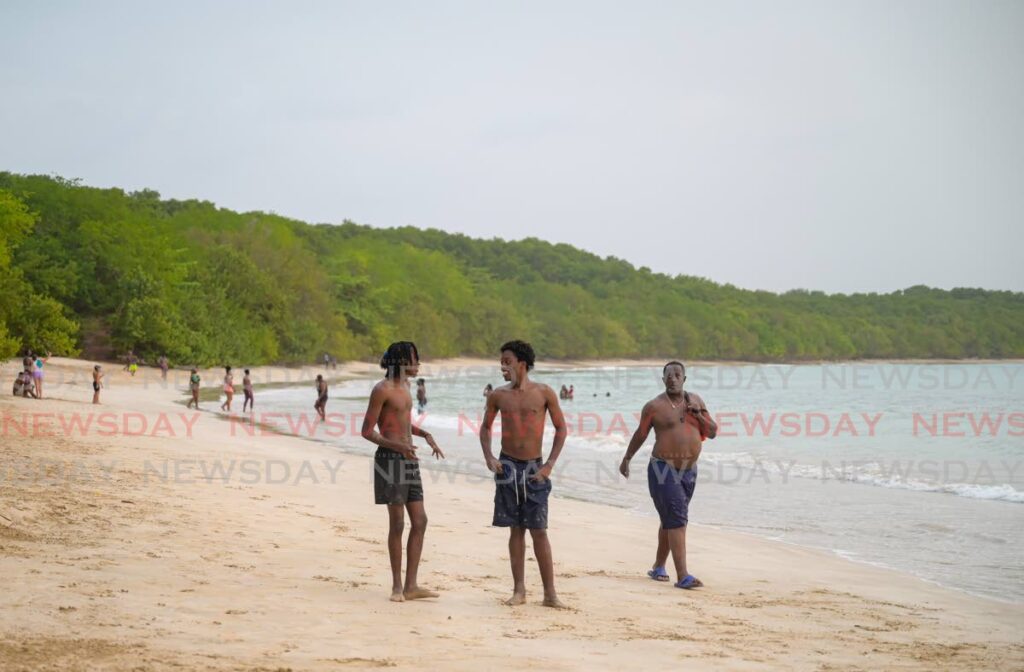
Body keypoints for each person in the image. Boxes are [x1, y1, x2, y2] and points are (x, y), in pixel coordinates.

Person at [480, 340, 568, 608]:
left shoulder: (544, 393)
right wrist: (489, 457)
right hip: (507, 467)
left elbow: (561, 429)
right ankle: (519, 590)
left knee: (538, 530)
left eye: (507, 361)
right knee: (516, 530)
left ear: (522, 364)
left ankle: (550, 594)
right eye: (501, 361)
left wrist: (549, 465)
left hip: (535, 468)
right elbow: (485, 428)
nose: (502, 366)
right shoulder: (498, 396)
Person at [619, 361, 717, 589]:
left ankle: (658, 567)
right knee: (677, 518)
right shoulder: (654, 406)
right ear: (663, 380)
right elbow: (640, 434)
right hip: (662, 468)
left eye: (677, 374)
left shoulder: (696, 401)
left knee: (670, 519)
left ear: (684, 379)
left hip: (689, 471)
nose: (673, 378)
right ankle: (683, 575)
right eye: (668, 375)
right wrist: (627, 458)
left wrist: (698, 416)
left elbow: (712, 432)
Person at [360, 341, 445, 602]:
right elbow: (367, 431)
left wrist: (425, 433)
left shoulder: (407, 387)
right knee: (397, 523)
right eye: (414, 359)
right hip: (389, 460)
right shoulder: (381, 390)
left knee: (420, 521)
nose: (418, 364)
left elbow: (403, 422)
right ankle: (397, 587)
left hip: (410, 460)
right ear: (401, 361)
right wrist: (398, 446)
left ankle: (412, 585)